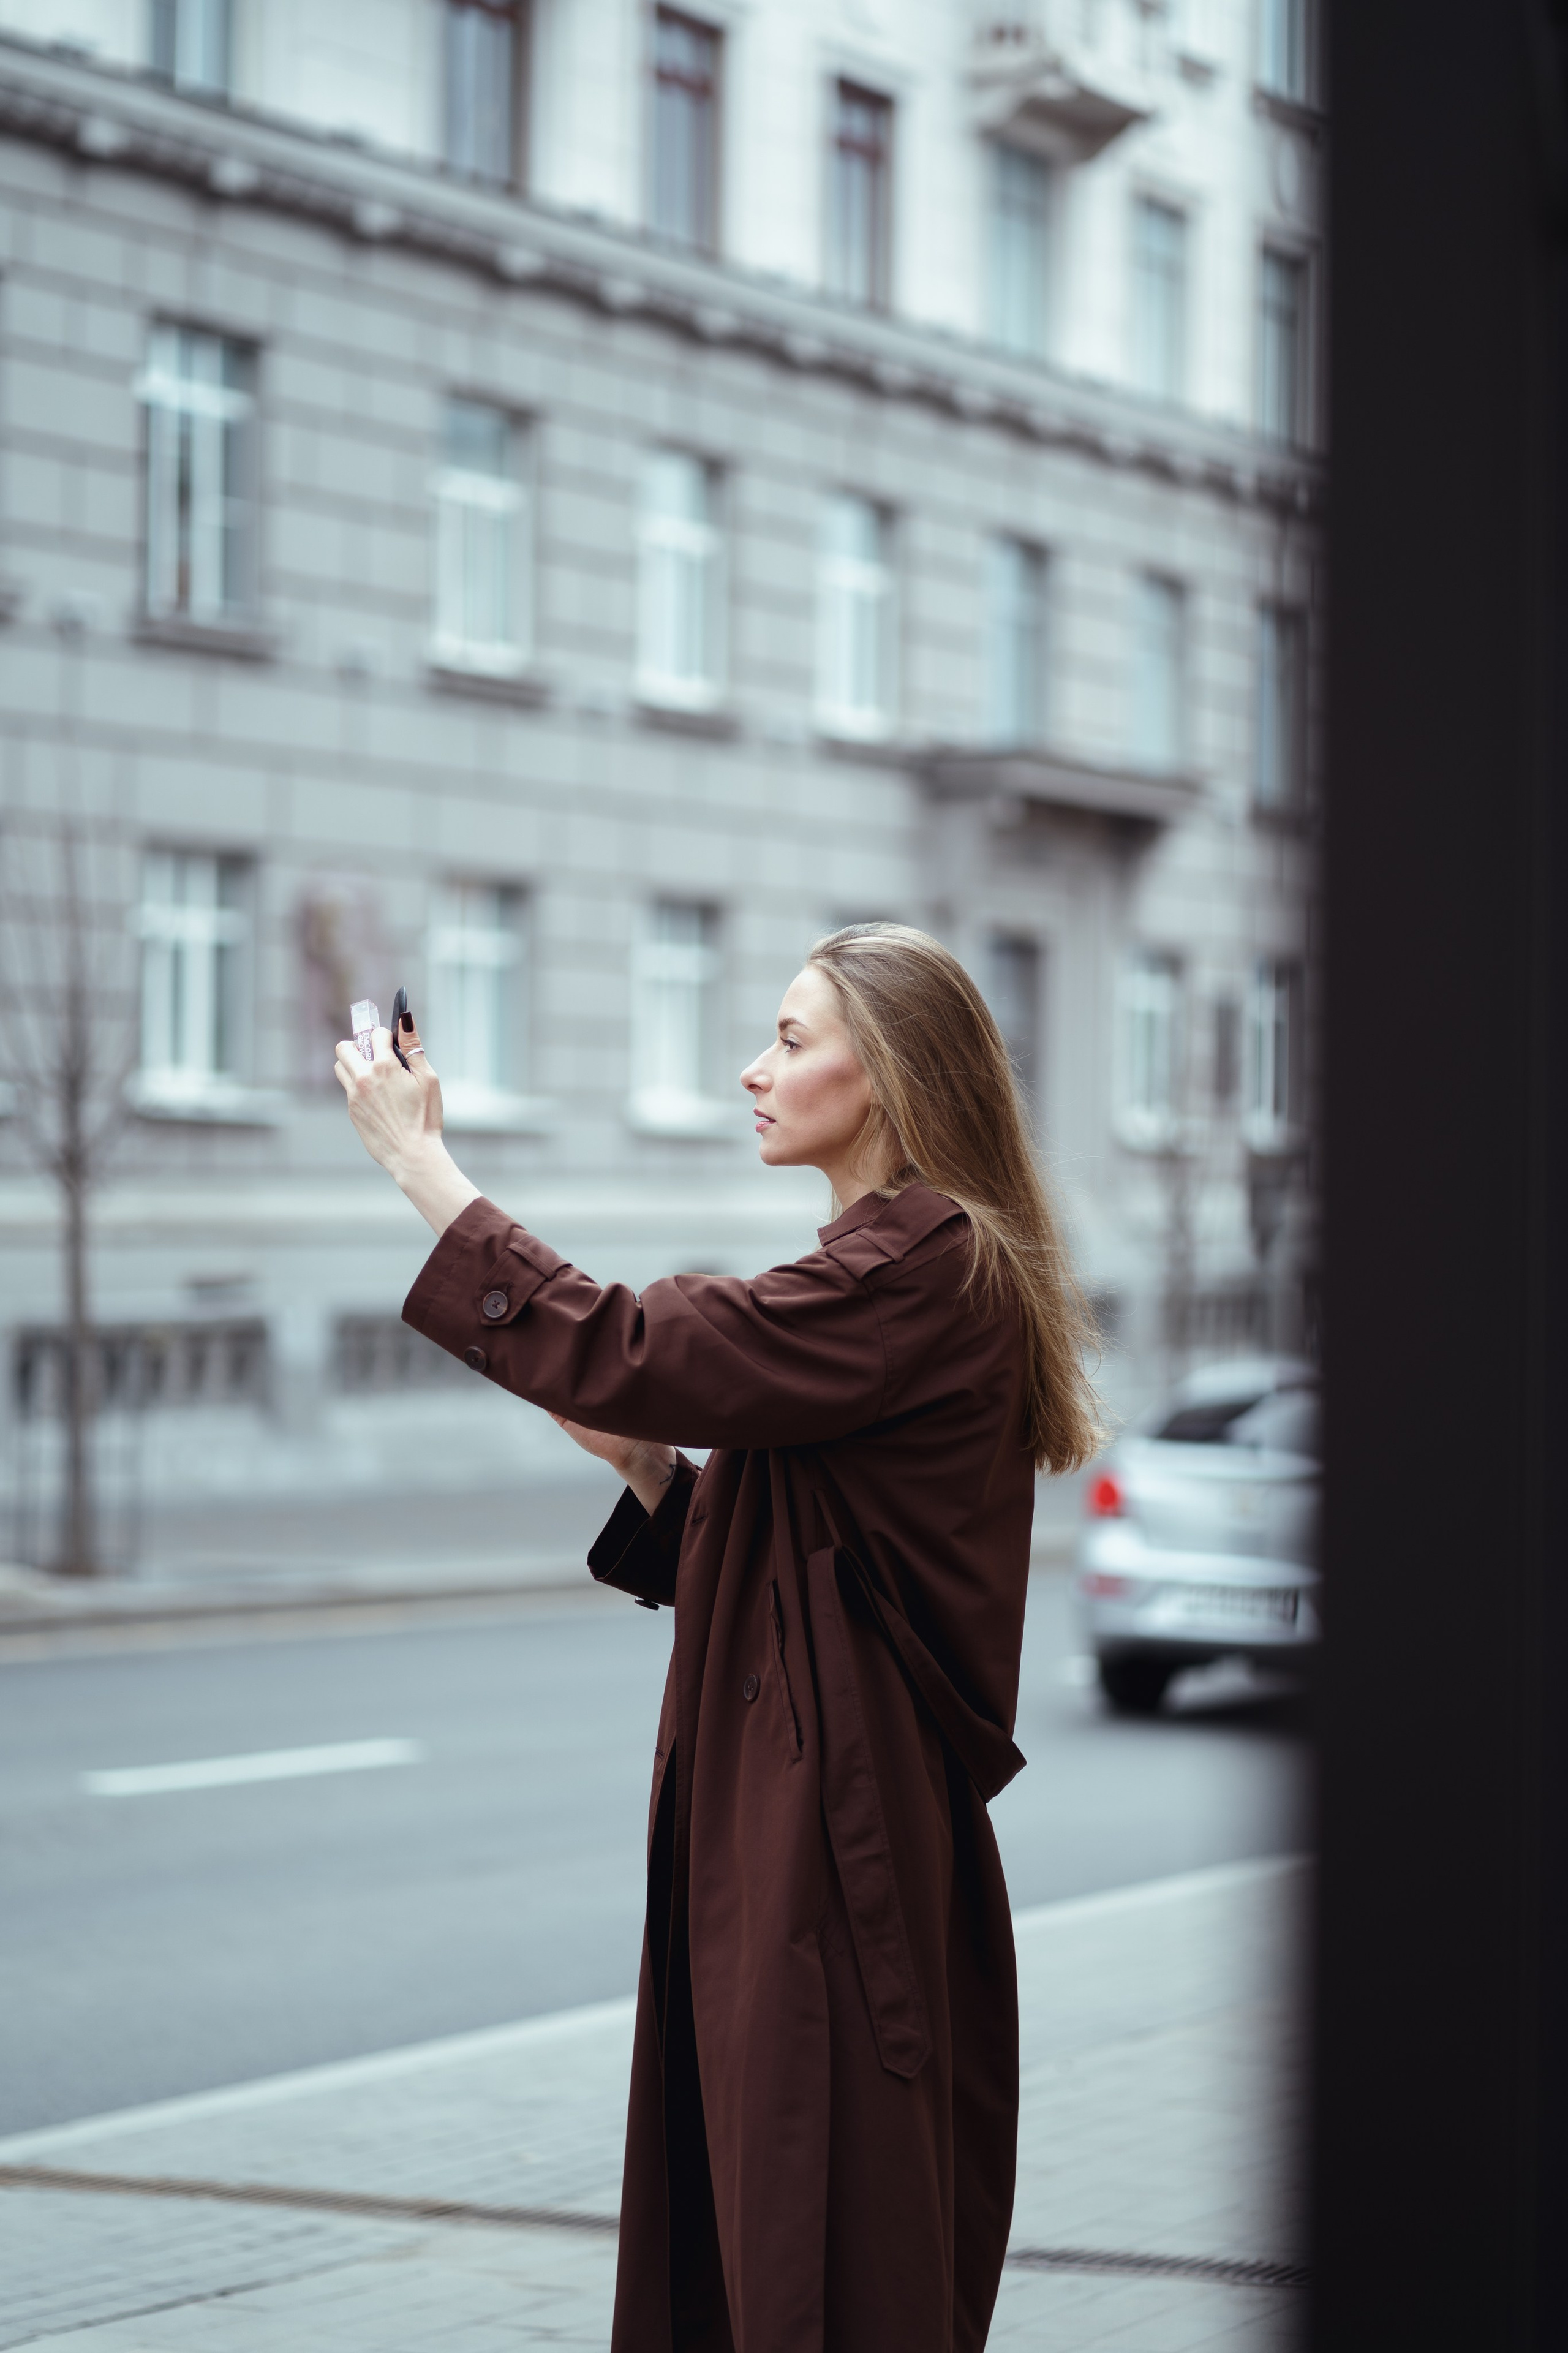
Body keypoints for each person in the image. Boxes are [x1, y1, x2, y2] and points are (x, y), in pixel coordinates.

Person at [336, 922, 1101, 2353]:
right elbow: (800, 1580)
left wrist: (419, 1165)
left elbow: (638, 1345)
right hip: (795, 1842)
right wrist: (644, 1473)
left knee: (819, 2262)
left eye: (793, 1039)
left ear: (888, 1075)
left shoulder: (917, 1265)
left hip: (834, 1858)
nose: (754, 1069)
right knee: (758, 2251)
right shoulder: (885, 1271)